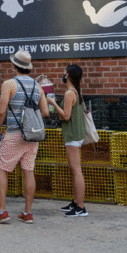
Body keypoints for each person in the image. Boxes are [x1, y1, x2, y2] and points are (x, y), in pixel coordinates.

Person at [0, 49, 49, 224]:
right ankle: (27, 213)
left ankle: (2, 211)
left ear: (14, 66)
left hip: (14, 133)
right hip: (33, 136)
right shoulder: (38, 86)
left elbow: (0, 112)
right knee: (28, 171)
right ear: (28, 67)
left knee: (1, 168)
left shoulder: (9, 84)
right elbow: (44, 112)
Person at [50, 63, 90, 217]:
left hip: (72, 136)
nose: (63, 74)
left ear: (69, 76)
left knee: (76, 171)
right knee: (74, 171)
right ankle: (75, 201)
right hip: (77, 135)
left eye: (64, 72)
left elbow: (66, 116)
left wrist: (52, 102)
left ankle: (80, 207)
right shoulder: (76, 92)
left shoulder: (69, 94)